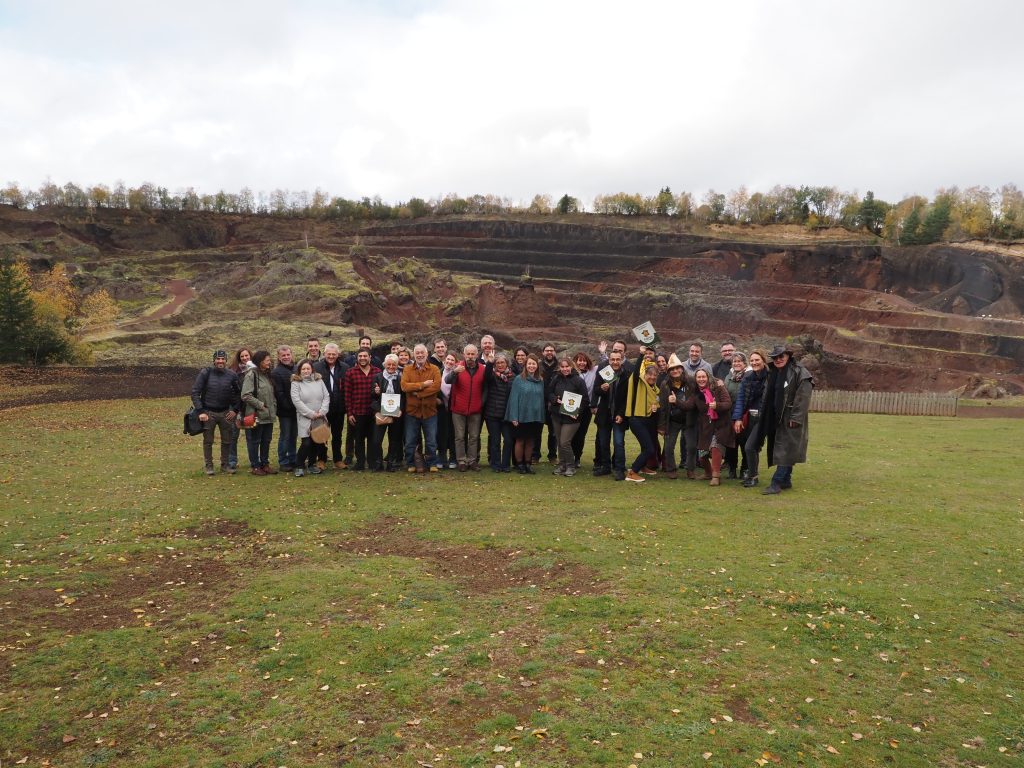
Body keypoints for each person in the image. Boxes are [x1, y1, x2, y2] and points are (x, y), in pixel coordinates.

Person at [758, 344, 813, 495]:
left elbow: (803, 397)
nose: (778, 360)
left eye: (781, 356)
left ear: (788, 356)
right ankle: (786, 480)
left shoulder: (800, 372)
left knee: (785, 448)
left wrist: (796, 417)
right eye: (775, 357)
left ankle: (776, 483)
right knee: (785, 448)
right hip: (777, 416)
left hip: (790, 417)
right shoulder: (774, 372)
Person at [190, 350, 241, 476]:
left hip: (225, 413)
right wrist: (201, 411)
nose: (220, 361)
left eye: (222, 359)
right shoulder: (205, 373)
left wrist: (235, 410)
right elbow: (195, 392)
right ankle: (209, 466)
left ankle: (225, 465)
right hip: (208, 413)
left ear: (226, 360)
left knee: (227, 441)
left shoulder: (232, 375)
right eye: (218, 359)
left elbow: (239, 394)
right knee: (208, 441)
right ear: (214, 360)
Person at [401, 343, 442, 473]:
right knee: (410, 440)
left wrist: (418, 393)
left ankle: (432, 463)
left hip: (430, 411)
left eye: (422, 352)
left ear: (427, 354)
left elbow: (436, 387)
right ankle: (411, 463)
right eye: (417, 353)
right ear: (414, 354)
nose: (419, 355)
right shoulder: (407, 369)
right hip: (412, 411)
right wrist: (422, 384)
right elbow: (404, 386)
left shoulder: (434, 369)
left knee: (431, 440)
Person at [446, 344, 487, 471]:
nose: (470, 357)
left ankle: (472, 461)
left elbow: (486, 388)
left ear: (476, 355)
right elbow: (447, 380)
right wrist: (454, 372)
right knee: (459, 437)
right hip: (458, 408)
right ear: (464, 355)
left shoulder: (482, 369)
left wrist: (481, 403)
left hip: (476, 409)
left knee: (474, 436)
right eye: (468, 354)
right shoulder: (458, 367)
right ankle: (461, 461)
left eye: (472, 354)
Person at [547, 357, 589, 477]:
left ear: (571, 366)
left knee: (565, 442)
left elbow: (585, 400)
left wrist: (577, 412)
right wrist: (554, 399)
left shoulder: (578, 381)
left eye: (567, 366)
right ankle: (562, 465)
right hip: (557, 416)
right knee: (560, 442)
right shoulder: (556, 379)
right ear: (560, 368)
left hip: (571, 418)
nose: (565, 369)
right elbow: (549, 392)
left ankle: (571, 466)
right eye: (562, 367)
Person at [733, 348, 769, 487]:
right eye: (752, 360)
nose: (754, 362)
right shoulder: (747, 377)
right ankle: (752, 475)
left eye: (757, 360)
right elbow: (741, 399)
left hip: (764, 418)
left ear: (763, 360)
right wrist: (738, 418)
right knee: (752, 447)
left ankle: (753, 476)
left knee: (750, 446)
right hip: (750, 416)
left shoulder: (770, 376)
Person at [505, 353, 546, 474]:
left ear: (537, 366)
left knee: (531, 441)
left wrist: (541, 416)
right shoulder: (519, 379)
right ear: (525, 365)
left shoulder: (540, 380)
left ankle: (528, 463)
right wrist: (514, 417)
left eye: (534, 364)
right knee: (520, 440)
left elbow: (541, 399)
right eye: (529, 364)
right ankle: (520, 464)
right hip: (521, 416)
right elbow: (513, 399)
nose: (532, 366)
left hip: (535, 417)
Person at [657, 354, 695, 480]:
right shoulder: (665, 384)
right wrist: (662, 426)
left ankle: (690, 469)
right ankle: (671, 468)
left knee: (691, 446)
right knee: (668, 446)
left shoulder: (691, 381)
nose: (675, 371)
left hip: (689, 418)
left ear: (682, 368)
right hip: (672, 419)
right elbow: (662, 406)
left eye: (677, 368)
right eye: (672, 369)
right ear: (669, 371)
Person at [289, 359, 330, 476]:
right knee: (306, 442)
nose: (306, 371)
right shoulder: (296, 383)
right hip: (305, 418)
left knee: (316, 441)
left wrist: (322, 411)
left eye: (308, 368)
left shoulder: (319, 380)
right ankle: (299, 465)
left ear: (312, 369)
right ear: (299, 370)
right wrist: (311, 414)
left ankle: (311, 464)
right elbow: (296, 401)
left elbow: (326, 396)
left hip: (320, 417)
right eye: (303, 369)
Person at [240, 350, 278, 476]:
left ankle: (265, 464)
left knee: (266, 440)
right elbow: (245, 395)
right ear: (261, 361)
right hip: (256, 415)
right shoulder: (252, 375)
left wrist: (273, 407)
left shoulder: (267, 374)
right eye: (267, 360)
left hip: (268, 415)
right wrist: (260, 405)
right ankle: (255, 466)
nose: (269, 362)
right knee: (255, 440)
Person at [592, 347, 627, 480]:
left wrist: (622, 414)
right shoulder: (603, 373)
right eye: (612, 359)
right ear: (609, 360)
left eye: (618, 359)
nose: (615, 362)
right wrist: (602, 388)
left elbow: (627, 398)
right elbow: (595, 390)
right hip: (604, 414)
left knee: (618, 442)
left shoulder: (626, 374)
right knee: (603, 442)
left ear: (622, 360)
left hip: (618, 415)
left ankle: (619, 468)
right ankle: (605, 467)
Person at [694, 368, 733, 486]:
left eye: (703, 377)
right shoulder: (697, 393)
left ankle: (716, 476)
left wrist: (717, 405)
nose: (701, 379)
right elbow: (689, 405)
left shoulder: (719, 388)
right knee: (702, 455)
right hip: (706, 426)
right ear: (695, 379)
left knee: (716, 448)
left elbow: (728, 403)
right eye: (699, 377)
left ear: (708, 377)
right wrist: (676, 402)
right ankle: (708, 473)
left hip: (721, 425)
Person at [343, 349, 381, 471]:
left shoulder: (377, 371)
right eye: (360, 356)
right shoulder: (350, 372)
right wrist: (349, 413)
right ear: (356, 357)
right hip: (357, 411)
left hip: (373, 412)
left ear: (370, 357)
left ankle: (371, 462)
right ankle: (360, 462)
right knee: (358, 439)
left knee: (372, 439)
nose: (362, 358)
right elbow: (347, 395)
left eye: (365, 356)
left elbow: (382, 392)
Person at [313, 343, 349, 469]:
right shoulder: (316, 367)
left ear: (338, 355)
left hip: (339, 407)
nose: (331, 356)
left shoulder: (345, 367)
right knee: (322, 434)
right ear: (324, 354)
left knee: (337, 434)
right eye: (329, 354)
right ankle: (321, 459)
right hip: (322, 408)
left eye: (334, 354)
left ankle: (337, 459)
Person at [624, 360, 660, 482]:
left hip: (648, 419)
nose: (652, 377)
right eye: (650, 374)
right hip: (637, 419)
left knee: (649, 446)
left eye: (655, 375)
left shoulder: (655, 389)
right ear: (644, 374)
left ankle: (643, 467)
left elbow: (655, 402)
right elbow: (635, 372)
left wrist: (656, 407)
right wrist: (641, 355)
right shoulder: (637, 382)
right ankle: (633, 472)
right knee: (649, 448)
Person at [371, 354, 405, 471]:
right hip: (381, 413)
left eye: (393, 364)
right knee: (376, 440)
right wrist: (376, 394)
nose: (391, 367)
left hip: (396, 414)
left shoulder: (401, 378)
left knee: (394, 440)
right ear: (384, 365)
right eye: (389, 364)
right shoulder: (377, 377)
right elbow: (372, 398)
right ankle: (378, 462)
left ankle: (390, 463)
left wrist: (401, 409)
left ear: (397, 365)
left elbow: (404, 397)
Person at [483, 353, 515, 471]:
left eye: (502, 362)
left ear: (507, 363)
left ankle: (505, 464)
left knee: (508, 440)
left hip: (507, 415)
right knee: (495, 441)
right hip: (493, 414)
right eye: (498, 363)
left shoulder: (513, 377)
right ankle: (495, 464)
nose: (500, 365)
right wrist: (490, 362)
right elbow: (486, 376)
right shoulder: (491, 375)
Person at [721, 351, 747, 479]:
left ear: (744, 363)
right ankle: (732, 468)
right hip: (730, 415)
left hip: (744, 415)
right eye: (734, 361)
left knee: (744, 443)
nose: (736, 364)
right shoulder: (728, 377)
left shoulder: (749, 376)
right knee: (732, 444)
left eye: (739, 361)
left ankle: (745, 469)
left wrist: (741, 416)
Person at [271, 345, 298, 471]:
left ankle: (293, 458)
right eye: (283, 355)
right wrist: (290, 406)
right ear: (279, 357)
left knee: (294, 435)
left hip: (297, 410)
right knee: (285, 435)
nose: (286, 357)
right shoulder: (276, 372)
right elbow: (279, 393)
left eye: (288, 354)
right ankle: (283, 460)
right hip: (285, 411)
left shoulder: (296, 369)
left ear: (291, 354)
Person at [570, 352, 597, 469]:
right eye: (579, 360)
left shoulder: (593, 371)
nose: (581, 363)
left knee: (581, 434)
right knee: (570, 433)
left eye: (583, 360)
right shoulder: (570, 373)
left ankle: (577, 457)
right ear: (575, 362)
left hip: (586, 408)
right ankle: (568, 457)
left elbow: (606, 366)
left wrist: (603, 353)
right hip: (573, 407)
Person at [536, 343, 559, 463]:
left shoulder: (560, 366)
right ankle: (535, 455)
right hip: (540, 403)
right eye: (547, 350)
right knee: (537, 431)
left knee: (553, 432)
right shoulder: (538, 366)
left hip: (554, 403)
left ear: (554, 352)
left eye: (551, 350)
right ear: (543, 352)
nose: (549, 352)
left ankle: (552, 455)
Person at [436, 352, 458, 469]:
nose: (449, 362)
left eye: (452, 360)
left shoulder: (457, 374)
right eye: (448, 359)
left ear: (455, 363)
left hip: (454, 408)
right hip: (440, 408)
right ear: (445, 360)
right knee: (441, 433)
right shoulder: (438, 372)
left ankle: (453, 458)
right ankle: (441, 457)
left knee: (453, 433)